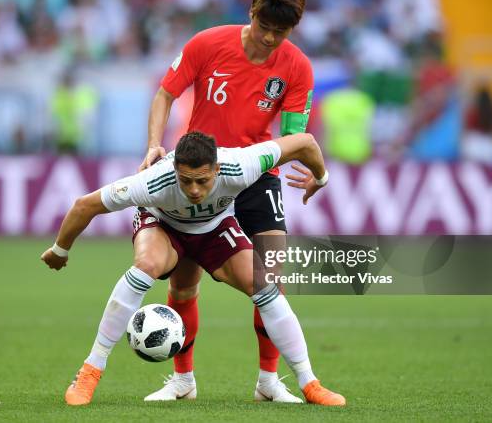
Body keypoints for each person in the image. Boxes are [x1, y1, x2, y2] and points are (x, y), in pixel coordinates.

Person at [40, 131, 346, 407]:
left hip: (213, 228)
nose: (195, 190)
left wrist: (320, 178)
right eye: (186, 181)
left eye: (203, 180)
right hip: (163, 225)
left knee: (264, 283)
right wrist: (59, 250)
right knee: (146, 264)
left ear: (217, 169)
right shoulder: (154, 181)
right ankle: (90, 371)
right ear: (175, 171)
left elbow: (305, 143)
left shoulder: (242, 164)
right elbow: (84, 205)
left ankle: (309, 383)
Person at [138, 0, 315, 402]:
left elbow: (291, 137)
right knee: (183, 281)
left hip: (255, 175)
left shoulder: (297, 67)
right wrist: (154, 144)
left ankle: (269, 382)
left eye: (281, 31)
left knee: (271, 277)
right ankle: (183, 380)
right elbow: (165, 93)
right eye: (264, 26)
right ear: (252, 12)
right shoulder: (207, 43)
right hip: (199, 173)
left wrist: (311, 167)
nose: (270, 38)